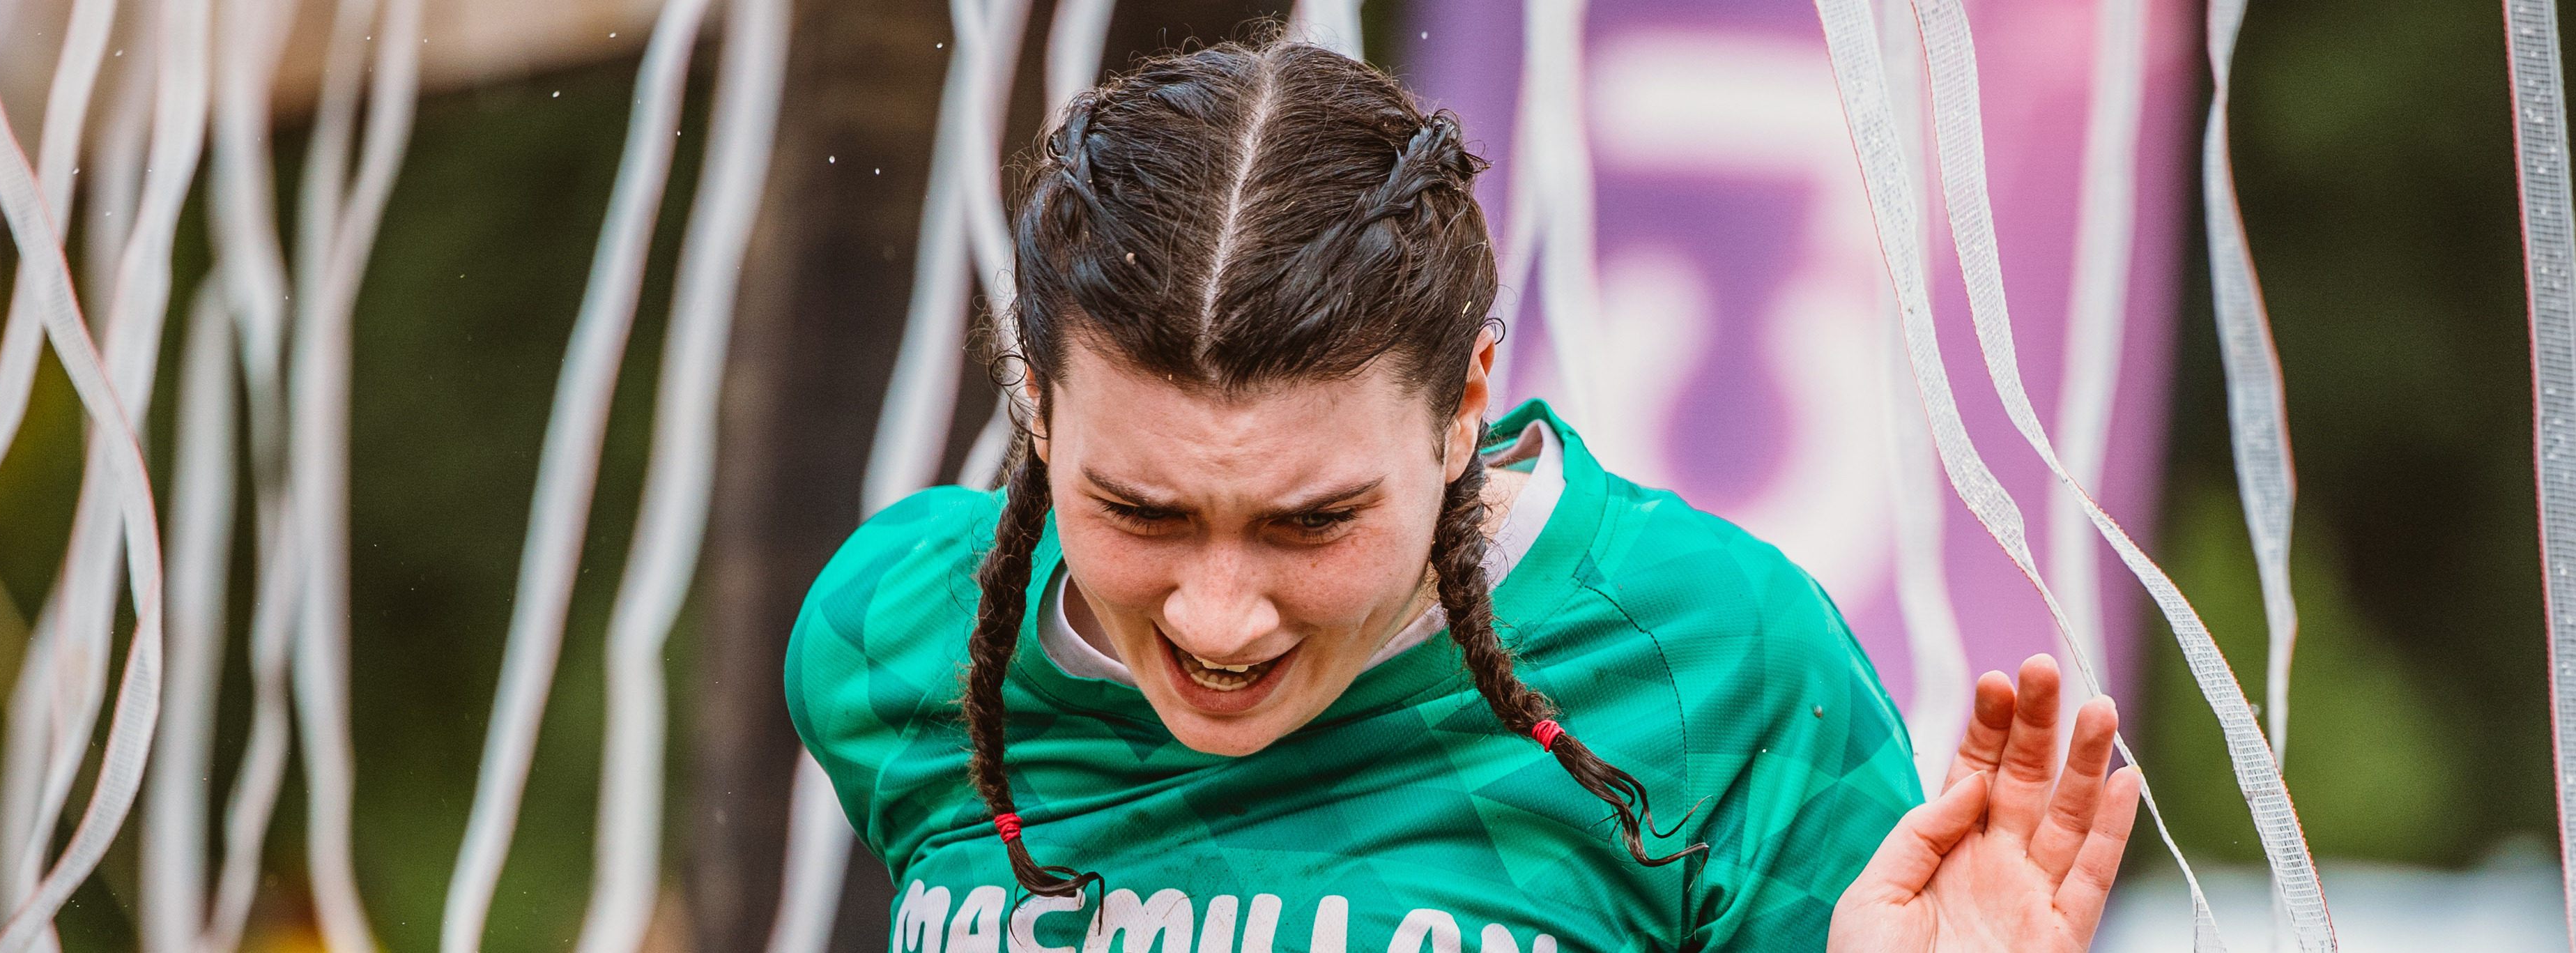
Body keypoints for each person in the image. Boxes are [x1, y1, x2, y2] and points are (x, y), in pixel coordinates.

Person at [785, 38, 2139, 952]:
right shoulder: (888, 633)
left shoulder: (1724, 666)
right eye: (1142, 511)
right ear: (1035, 398)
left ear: (1467, 401)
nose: (1217, 614)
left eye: (1311, 519)